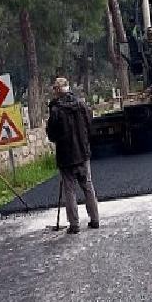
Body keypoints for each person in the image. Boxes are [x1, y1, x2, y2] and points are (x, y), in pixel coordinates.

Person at [46, 77, 99, 234]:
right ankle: (95, 219)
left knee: (70, 190)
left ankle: (74, 224)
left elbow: (52, 134)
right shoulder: (81, 105)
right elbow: (90, 124)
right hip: (82, 153)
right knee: (88, 186)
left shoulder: (55, 110)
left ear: (57, 90)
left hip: (66, 156)